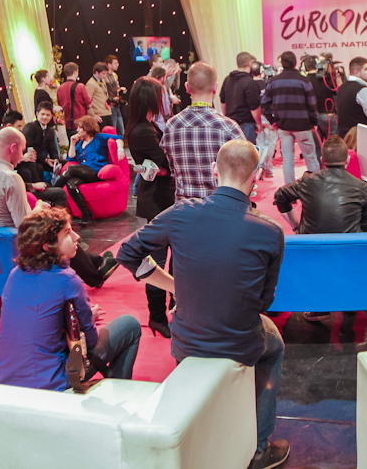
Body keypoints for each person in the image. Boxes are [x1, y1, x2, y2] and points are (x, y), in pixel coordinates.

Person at [117, 141, 290, 469]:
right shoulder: (271, 231)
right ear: (256, 176)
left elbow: (127, 254)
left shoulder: (181, 212)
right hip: (240, 341)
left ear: (214, 171)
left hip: (187, 339)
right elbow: (264, 301)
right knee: (275, 347)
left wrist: (175, 287)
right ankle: (259, 448)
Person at [0, 207, 141, 390]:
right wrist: (85, 319)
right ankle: (121, 391)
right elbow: (91, 341)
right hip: (50, 381)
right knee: (130, 325)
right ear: (47, 246)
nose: (76, 236)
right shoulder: (68, 280)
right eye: (67, 233)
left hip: (4, 376)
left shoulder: (15, 274)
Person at [0, 126, 114, 288]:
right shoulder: (9, 177)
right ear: (13, 148)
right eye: (22, 151)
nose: (22, 156)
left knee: (54, 228)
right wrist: (39, 207)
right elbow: (26, 225)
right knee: (57, 228)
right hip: (13, 242)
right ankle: (95, 275)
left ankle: (97, 262)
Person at [126, 77, 176, 338]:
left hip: (160, 197)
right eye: (160, 95)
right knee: (157, 262)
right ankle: (157, 315)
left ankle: (167, 311)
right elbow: (166, 163)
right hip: (158, 200)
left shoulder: (145, 126)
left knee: (166, 258)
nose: (163, 100)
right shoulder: (143, 130)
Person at [161, 62, 245, 201]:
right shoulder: (228, 127)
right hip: (220, 205)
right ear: (215, 87)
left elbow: (172, 168)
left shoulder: (171, 125)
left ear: (187, 87)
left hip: (184, 207)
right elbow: (244, 170)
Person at [274, 135, 367, 235]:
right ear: (348, 160)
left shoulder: (308, 181)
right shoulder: (361, 187)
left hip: (310, 241)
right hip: (347, 243)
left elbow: (280, 196)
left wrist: (295, 226)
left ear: (322, 160)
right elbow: (366, 227)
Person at [262, 51, 320, 184]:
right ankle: (316, 188)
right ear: (295, 63)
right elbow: (312, 103)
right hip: (303, 125)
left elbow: (264, 103)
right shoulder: (303, 80)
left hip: (283, 125)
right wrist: (314, 121)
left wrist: (273, 121)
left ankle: (290, 189)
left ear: (282, 63)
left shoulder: (274, 81)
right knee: (310, 158)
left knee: (287, 160)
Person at [53, 115, 114, 224]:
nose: (77, 130)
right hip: (84, 171)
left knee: (70, 169)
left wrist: (120, 149)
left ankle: (51, 193)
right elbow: (70, 158)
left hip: (96, 171)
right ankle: (86, 212)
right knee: (71, 184)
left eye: (80, 127)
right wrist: (72, 143)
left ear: (87, 128)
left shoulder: (99, 138)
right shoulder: (81, 143)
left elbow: (118, 138)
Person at [220, 52, 263, 144]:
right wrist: (259, 123)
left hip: (231, 123)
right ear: (250, 64)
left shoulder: (227, 79)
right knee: (247, 151)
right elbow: (254, 107)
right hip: (246, 124)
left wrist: (226, 116)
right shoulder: (250, 82)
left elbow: (223, 101)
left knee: (233, 150)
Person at [335, 57, 367, 137]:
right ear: (356, 73)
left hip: (345, 137)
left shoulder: (342, 88)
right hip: (362, 137)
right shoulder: (362, 90)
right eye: (366, 69)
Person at [21, 101, 61, 180]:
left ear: (51, 116)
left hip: (41, 159)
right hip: (28, 159)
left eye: (48, 115)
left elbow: (52, 148)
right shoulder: (30, 127)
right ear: (37, 114)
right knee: (39, 167)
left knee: (63, 164)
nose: (45, 117)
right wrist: (45, 160)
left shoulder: (49, 131)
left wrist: (55, 160)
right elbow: (29, 149)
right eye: (42, 114)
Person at [302, 56, 338, 144]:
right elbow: (336, 91)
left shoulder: (304, 81)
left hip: (313, 118)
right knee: (333, 146)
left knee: (316, 147)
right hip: (328, 115)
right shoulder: (326, 77)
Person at [56, 62, 91, 132]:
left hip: (68, 123)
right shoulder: (80, 86)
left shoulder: (60, 88)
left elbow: (60, 105)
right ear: (75, 72)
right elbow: (89, 104)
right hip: (81, 123)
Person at [86, 61, 115, 130]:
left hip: (107, 112)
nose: (105, 76)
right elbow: (87, 102)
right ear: (96, 72)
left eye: (106, 74)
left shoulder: (102, 81)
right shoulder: (91, 84)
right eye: (103, 74)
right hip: (99, 115)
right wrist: (93, 115)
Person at [104, 55, 126, 136]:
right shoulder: (104, 77)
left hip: (117, 104)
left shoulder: (115, 75)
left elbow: (116, 88)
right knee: (113, 130)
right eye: (115, 63)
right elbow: (104, 91)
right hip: (110, 105)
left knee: (121, 131)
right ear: (109, 65)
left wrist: (120, 90)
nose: (118, 65)